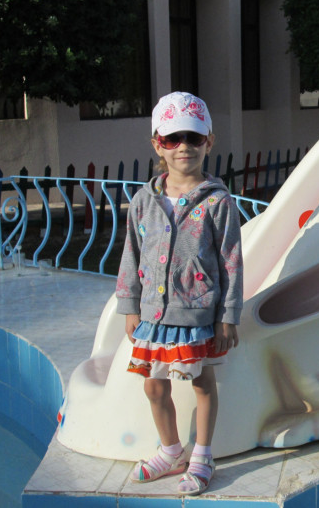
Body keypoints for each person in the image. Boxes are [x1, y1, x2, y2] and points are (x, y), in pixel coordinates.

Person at [115, 91, 243, 496]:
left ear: (209, 141)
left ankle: (202, 456)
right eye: (172, 138)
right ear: (158, 145)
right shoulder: (143, 200)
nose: (183, 146)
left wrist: (228, 315)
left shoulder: (218, 201)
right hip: (153, 315)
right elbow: (131, 253)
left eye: (193, 137)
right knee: (154, 387)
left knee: (202, 383)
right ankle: (171, 451)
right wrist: (129, 305)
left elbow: (231, 261)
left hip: (197, 314)